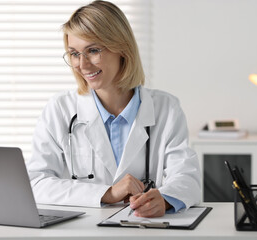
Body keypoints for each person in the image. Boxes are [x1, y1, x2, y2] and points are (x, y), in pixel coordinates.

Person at [27, 0, 200, 218]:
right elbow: (36, 182)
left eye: (93, 50)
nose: (82, 64)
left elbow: (187, 178)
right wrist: (107, 193)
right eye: (74, 53)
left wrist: (164, 200)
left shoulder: (166, 108)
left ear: (122, 49)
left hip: (145, 231)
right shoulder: (60, 109)